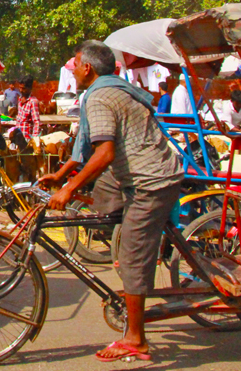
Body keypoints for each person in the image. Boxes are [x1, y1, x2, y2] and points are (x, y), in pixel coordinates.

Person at [39, 40, 182, 362]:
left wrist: (69, 189)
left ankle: (136, 338)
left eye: (75, 65)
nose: (72, 71)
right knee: (105, 200)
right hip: (140, 173)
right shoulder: (111, 88)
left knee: (132, 255)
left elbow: (104, 153)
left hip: (151, 182)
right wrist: (62, 175)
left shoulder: (101, 95)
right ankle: (128, 253)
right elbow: (88, 145)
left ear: (87, 68)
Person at [11, 75, 40, 151]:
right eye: (20, 88)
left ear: (29, 89)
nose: (21, 90)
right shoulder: (20, 100)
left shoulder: (33, 102)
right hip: (17, 138)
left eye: (23, 88)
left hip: (27, 140)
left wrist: (34, 139)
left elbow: (36, 122)